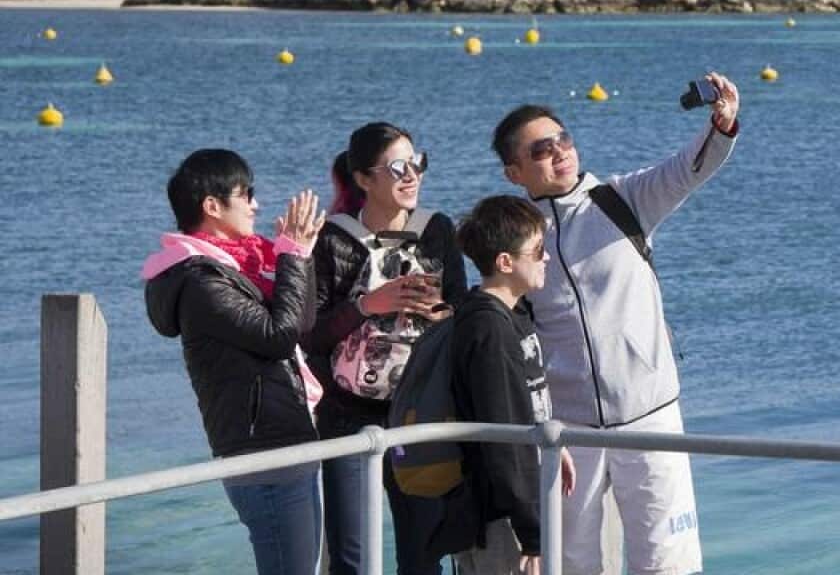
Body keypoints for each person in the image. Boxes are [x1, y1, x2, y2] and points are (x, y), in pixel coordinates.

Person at [491, 72, 741, 575]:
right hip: (568, 430)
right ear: (514, 171)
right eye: (541, 149)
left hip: (650, 417)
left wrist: (722, 125)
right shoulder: (518, 236)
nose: (559, 151)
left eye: (563, 138)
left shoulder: (621, 199)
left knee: (665, 563)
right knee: (573, 564)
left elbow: (686, 170)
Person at [142, 148, 326, 575]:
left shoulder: (242, 266)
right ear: (212, 205)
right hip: (262, 452)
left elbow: (302, 321)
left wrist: (298, 256)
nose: (256, 204)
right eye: (247, 194)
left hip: (286, 441)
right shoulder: (201, 281)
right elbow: (278, 338)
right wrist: (292, 256)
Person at [304, 122, 467, 575]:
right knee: (351, 557)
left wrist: (439, 311)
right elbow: (310, 336)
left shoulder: (437, 229)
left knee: (423, 553)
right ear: (362, 179)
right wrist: (367, 306)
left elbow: (462, 313)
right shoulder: (332, 238)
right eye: (398, 167)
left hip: (422, 411)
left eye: (418, 163)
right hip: (348, 414)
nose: (412, 174)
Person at [451, 195, 577, 575]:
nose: (547, 258)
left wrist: (553, 443)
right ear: (505, 262)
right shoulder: (488, 328)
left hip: (521, 499)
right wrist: (533, 534)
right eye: (538, 250)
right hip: (501, 516)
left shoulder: (514, 311)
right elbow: (502, 438)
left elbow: (528, 397)